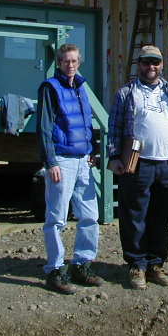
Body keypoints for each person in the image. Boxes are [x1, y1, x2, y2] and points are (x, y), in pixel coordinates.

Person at [108, 45, 168, 290]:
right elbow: (115, 127)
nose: (151, 66)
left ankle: (155, 264)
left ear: (162, 65)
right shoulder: (126, 93)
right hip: (137, 163)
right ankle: (136, 265)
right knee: (134, 215)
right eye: (146, 62)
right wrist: (114, 156)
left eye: (155, 62)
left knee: (162, 216)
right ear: (139, 64)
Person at [37, 43, 104, 294]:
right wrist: (50, 162)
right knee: (56, 217)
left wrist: (92, 151)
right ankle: (55, 269)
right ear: (59, 62)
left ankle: (82, 264)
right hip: (62, 160)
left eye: (74, 61)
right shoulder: (50, 88)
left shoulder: (81, 87)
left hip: (83, 160)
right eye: (66, 61)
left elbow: (87, 123)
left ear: (79, 62)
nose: (70, 65)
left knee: (90, 216)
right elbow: (44, 127)